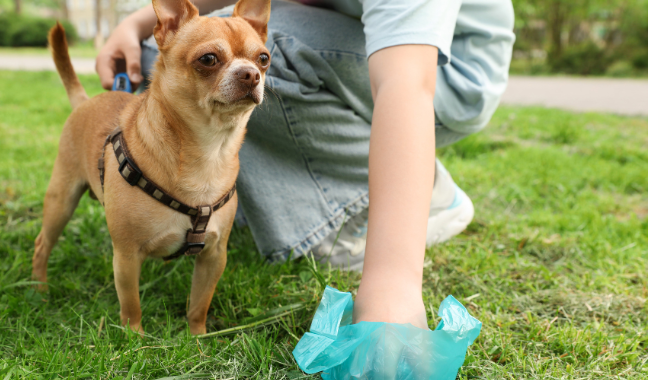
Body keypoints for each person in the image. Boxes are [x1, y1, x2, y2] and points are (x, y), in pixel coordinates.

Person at [97, 0, 514, 333]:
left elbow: (407, 83)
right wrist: (135, 24)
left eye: (259, 62)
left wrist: (394, 284)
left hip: (449, 67)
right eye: (212, 61)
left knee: (274, 45)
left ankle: (400, 198)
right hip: (360, 37)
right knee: (167, 52)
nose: (251, 74)